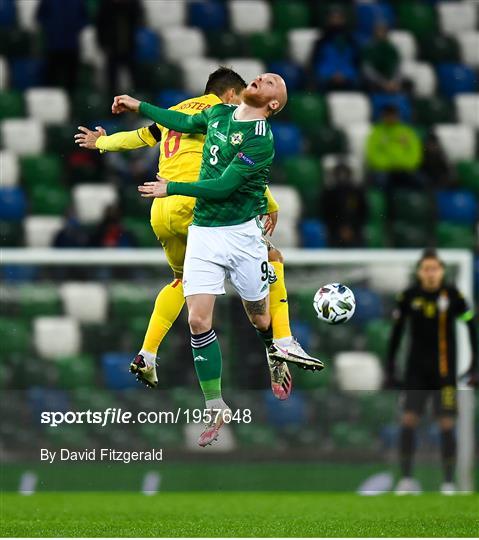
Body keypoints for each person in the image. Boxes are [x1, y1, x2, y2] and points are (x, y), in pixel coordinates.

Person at [74, 68, 317, 405]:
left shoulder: (181, 109)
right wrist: (270, 203)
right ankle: (279, 342)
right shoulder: (229, 116)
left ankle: (148, 352)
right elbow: (235, 179)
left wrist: (100, 142)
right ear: (232, 94)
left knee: (181, 281)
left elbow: (140, 138)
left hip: (160, 211)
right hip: (196, 202)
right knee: (272, 258)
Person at [385, 249, 478, 494]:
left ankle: (448, 482)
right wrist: (391, 366)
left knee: (447, 423)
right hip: (415, 372)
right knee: (408, 421)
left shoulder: (453, 296)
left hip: (444, 373)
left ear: (442, 271)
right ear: (419, 272)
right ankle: (406, 480)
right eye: (426, 269)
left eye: (435, 268)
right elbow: (396, 333)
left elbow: (470, 324)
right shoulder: (408, 296)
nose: (431, 273)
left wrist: (474, 363)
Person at [36, 0, 87, 92]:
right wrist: (51, 28)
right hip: (53, 45)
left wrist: (74, 27)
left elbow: (84, 18)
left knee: (71, 80)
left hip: (72, 45)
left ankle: (71, 102)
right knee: (52, 79)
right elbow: (40, 17)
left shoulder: (78, 2)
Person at [95, 0, 143, 96]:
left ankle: (135, 103)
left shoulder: (132, 4)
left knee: (135, 79)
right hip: (112, 48)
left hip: (129, 47)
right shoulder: (106, 5)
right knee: (112, 82)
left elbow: (138, 18)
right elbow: (100, 25)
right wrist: (103, 44)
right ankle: (113, 105)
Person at [310, 6, 359, 91]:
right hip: (326, 78)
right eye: (333, 18)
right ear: (328, 20)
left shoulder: (352, 42)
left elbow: (356, 63)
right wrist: (331, 75)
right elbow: (316, 63)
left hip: (348, 78)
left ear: (344, 20)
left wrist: (345, 75)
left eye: (339, 18)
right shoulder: (321, 42)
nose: (336, 21)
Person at [320, 162, 367, 247]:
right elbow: (326, 213)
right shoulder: (329, 193)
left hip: (355, 231)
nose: (342, 178)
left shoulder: (357, 192)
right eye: (339, 174)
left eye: (345, 174)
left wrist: (351, 227)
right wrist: (340, 228)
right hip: (334, 231)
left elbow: (363, 212)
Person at [362, 23, 402, 93]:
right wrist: (383, 83)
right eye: (379, 31)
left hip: (391, 83)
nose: (381, 34)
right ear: (374, 33)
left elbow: (397, 67)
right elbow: (367, 70)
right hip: (376, 83)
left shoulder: (392, 49)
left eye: (383, 31)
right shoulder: (369, 49)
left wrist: (394, 81)